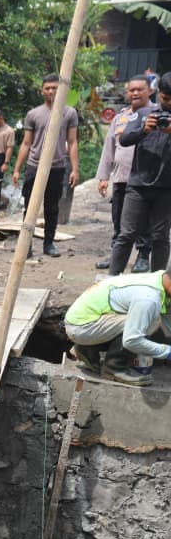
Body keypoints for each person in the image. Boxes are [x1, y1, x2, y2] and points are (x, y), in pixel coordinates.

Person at [107, 72, 171, 277]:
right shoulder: (144, 113)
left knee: (161, 237)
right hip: (138, 186)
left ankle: (157, 285)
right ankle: (111, 281)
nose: (168, 104)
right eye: (165, 99)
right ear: (159, 94)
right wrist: (144, 129)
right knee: (125, 235)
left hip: (167, 189)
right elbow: (124, 139)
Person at [11, 74, 80, 258]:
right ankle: (27, 246)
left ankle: (49, 243)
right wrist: (17, 169)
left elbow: (72, 142)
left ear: (61, 90)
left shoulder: (69, 113)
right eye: (47, 88)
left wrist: (75, 168)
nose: (51, 91)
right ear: (42, 90)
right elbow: (26, 143)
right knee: (29, 206)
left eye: (54, 88)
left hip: (56, 167)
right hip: (34, 166)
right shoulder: (33, 114)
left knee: (52, 207)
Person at [64, 270, 171, 386]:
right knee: (151, 322)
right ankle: (114, 368)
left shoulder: (160, 278)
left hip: (85, 319)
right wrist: (167, 352)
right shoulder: (149, 298)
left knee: (144, 319)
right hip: (82, 327)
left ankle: (87, 348)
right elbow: (131, 341)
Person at [95, 76, 157, 272]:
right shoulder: (120, 118)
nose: (135, 93)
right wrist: (104, 176)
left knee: (145, 221)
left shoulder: (158, 114)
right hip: (121, 178)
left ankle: (143, 255)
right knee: (119, 220)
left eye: (140, 89)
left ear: (150, 91)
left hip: (146, 178)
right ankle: (117, 255)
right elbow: (109, 149)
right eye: (132, 90)